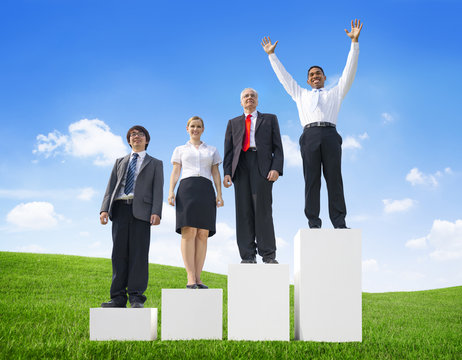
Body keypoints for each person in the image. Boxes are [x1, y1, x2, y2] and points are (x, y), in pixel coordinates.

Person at [261, 19, 363, 229]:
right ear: (308, 81)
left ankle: (339, 222)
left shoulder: (335, 92)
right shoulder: (301, 95)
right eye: (311, 75)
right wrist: (272, 55)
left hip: (330, 135)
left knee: (334, 179)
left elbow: (349, 72)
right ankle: (314, 222)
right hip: (309, 136)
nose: (315, 76)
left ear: (325, 77)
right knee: (312, 181)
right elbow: (285, 79)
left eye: (318, 74)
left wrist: (354, 44)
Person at [99, 125, 163, 308]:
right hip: (119, 209)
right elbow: (110, 186)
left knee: (139, 254)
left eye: (140, 134)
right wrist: (104, 209)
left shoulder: (155, 163)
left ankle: (136, 297)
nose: (136, 137)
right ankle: (117, 298)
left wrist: (156, 212)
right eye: (132, 135)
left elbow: (158, 189)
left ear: (147, 140)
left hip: (142, 212)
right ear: (129, 140)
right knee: (118, 255)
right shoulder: (120, 161)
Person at [223, 88, 284, 264]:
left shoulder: (270, 119)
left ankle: (268, 254)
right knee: (243, 211)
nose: (249, 98)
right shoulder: (233, 122)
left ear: (257, 101)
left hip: (262, 166)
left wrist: (276, 168)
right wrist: (227, 172)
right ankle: (247, 255)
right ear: (241, 102)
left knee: (263, 209)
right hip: (240, 167)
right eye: (246, 96)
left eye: (253, 96)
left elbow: (278, 147)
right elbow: (228, 150)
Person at [168, 116, 223, 289]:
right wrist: (170, 191)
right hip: (187, 188)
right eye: (192, 126)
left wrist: (219, 194)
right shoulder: (180, 149)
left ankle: (199, 278)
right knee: (189, 231)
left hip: (206, 190)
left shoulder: (212, 150)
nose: (195, 129)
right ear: (187, 128)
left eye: (199, 126)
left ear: (203, 129)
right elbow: (176, 171)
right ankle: (190, 277)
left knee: (202, 234)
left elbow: (215, 173)